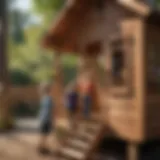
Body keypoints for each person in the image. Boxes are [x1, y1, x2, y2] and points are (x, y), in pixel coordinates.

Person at [38, 82, 54, 154]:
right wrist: (52, 120)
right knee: (45, 134)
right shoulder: (49, 98)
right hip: (46, 119)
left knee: (43, 134)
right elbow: (50, 110)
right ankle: (42, 148)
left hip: (42, 118)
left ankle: (42, 147)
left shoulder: (43, 98)